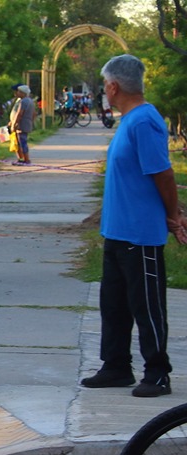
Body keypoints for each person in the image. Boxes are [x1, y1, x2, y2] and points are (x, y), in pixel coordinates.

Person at [80, 54, 187, 398]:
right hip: (117, 230)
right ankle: (116, 366)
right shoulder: (128, 121)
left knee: (147, 306)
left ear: (113, 87)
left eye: (104, 85)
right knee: (113, 306)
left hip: (140, 234)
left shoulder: (144, 121)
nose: (104, 91)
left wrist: (174, 216)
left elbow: (163, 174)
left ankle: (157, 372)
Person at [10, 84, 35, 165]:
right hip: (27, 123)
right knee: (20, 142)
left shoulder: (23, 101)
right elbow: (34, 114)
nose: (17, 93)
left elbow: (19, 113)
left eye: (19, 92)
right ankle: (22, 159)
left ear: (23, 93)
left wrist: (14, 124)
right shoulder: (30, 101)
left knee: (22, 142)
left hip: (22, 124)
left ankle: (26, 160)